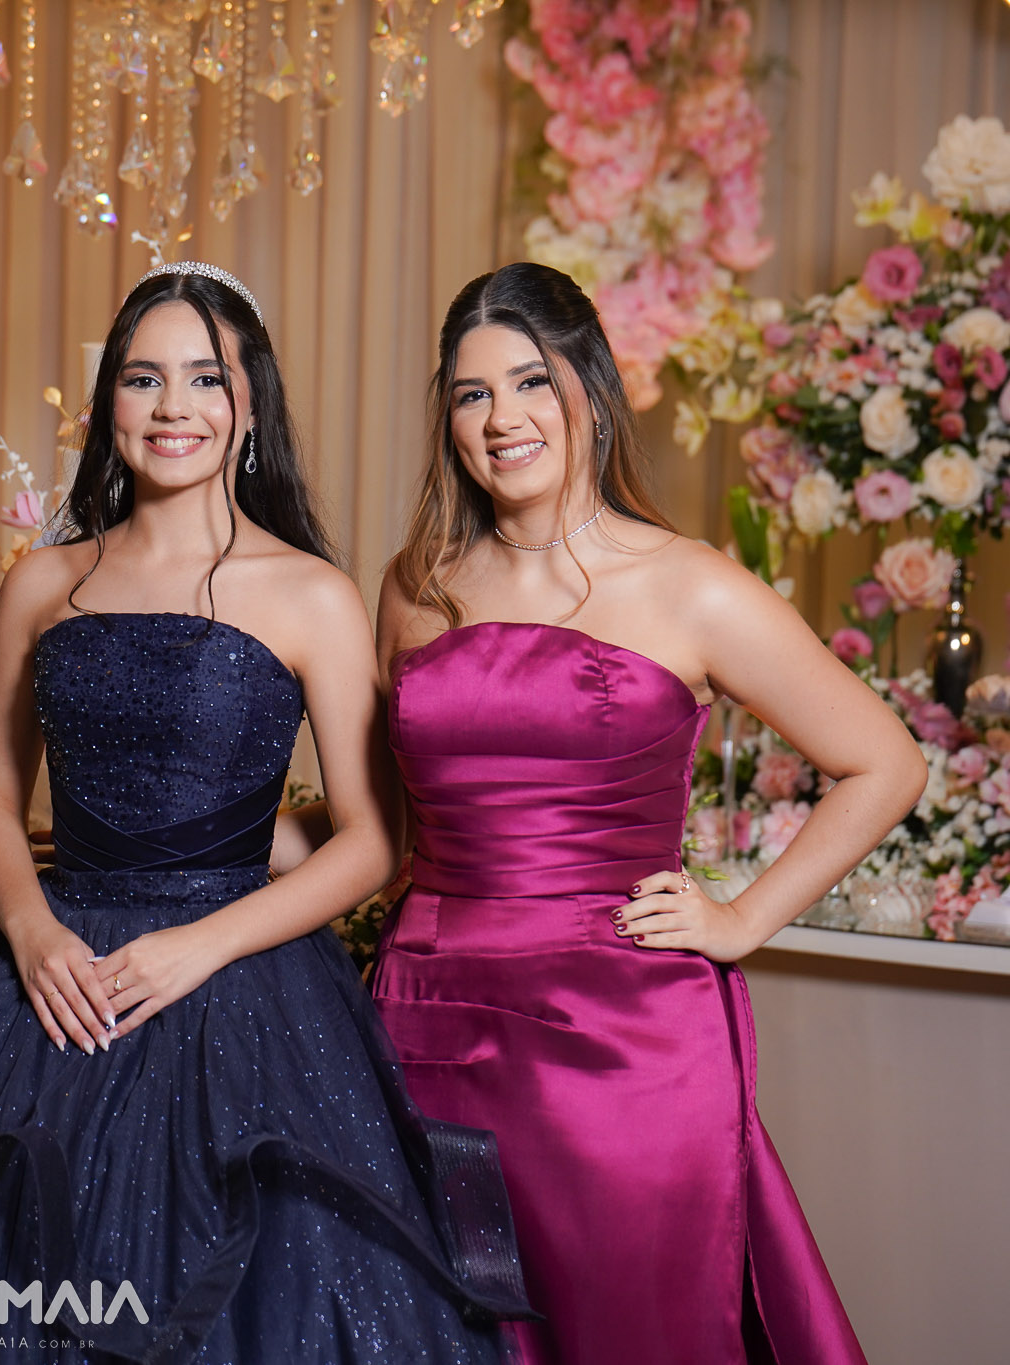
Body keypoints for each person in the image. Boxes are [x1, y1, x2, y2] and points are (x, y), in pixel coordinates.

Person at [0, 263, 532, 1363]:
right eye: (142, 378)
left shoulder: (310, 591)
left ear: (250, 404)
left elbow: (374, 839)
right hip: (55, 979)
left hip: (243, 985)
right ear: (107, 404)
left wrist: (198, 946)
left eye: (205, 378)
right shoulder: (45, 583)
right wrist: (31, 934)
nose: (174, 406)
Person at [363, 261, 914, 1363]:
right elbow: (388, 835)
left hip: (619, 1042)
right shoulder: (415, 584)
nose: (502, 418)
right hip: (425, 1024)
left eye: (531, 381)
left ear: (590, 387)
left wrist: (740, 918)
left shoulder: (689, 584)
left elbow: (885, 763)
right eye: (472, 394)